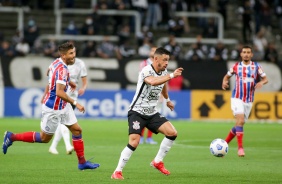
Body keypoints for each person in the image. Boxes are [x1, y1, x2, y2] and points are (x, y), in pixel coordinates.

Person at [2, 42, 100, 170]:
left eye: (74, 52)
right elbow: (59, 92)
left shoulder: (57, 62)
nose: (74, 56)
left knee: (77, 130)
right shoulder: (62, 69)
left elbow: (48, 72)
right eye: (71, 53)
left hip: (63, 106)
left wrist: (70, 82)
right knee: (44, 138)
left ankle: (82, 163)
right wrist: (76, 103)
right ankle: (11, 136)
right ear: (63, 55)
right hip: (53, 109)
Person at [111, 47, 184, 180]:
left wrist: (167, 100)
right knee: (134, 142)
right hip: (137, 112)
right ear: (156, 59)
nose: (167, 63)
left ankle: (157, 161)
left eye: (168, 60)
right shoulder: (146, 70)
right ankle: (117, 171)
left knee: (172, 133)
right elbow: (152, 81)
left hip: (152, 113)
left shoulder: (164, 71)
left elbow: (163, 85)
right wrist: (172, 75)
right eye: (165, 60)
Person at [222, 45, 268, 157]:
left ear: (251, 54)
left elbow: (265, 79)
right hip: (237, 98)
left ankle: (224, 144)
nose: (246, 54)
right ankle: (240, 148)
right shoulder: (236, 66)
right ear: (241, 54)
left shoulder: (256, 66)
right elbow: (226, 76)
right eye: (244, 52)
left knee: (239, 123)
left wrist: (262, 82)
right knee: (241, 120)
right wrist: (224, 82)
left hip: (249, 100)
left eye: (248, 52)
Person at [48, 54, 88, 155]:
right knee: (64, 122)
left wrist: (83, 87)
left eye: (73, 52)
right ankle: (67, 145)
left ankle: (53, 146)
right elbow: (49, 73)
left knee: (63, 123)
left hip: (72, 96)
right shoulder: (59, 63)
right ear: (65, 54)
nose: (72, 55)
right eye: (70, 53)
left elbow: (84, 78)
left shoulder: (80, 64)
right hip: (62, 97)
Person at [139, 46, 158, 145]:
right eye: (152, 50)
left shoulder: (159, 65)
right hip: (144, 94)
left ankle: (149, 138)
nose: (153, 52)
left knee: (152, 116)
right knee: (143, 116)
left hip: (155, 94)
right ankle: (141, 137)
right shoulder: (144, 64)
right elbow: (142, 77)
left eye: (155, 51)